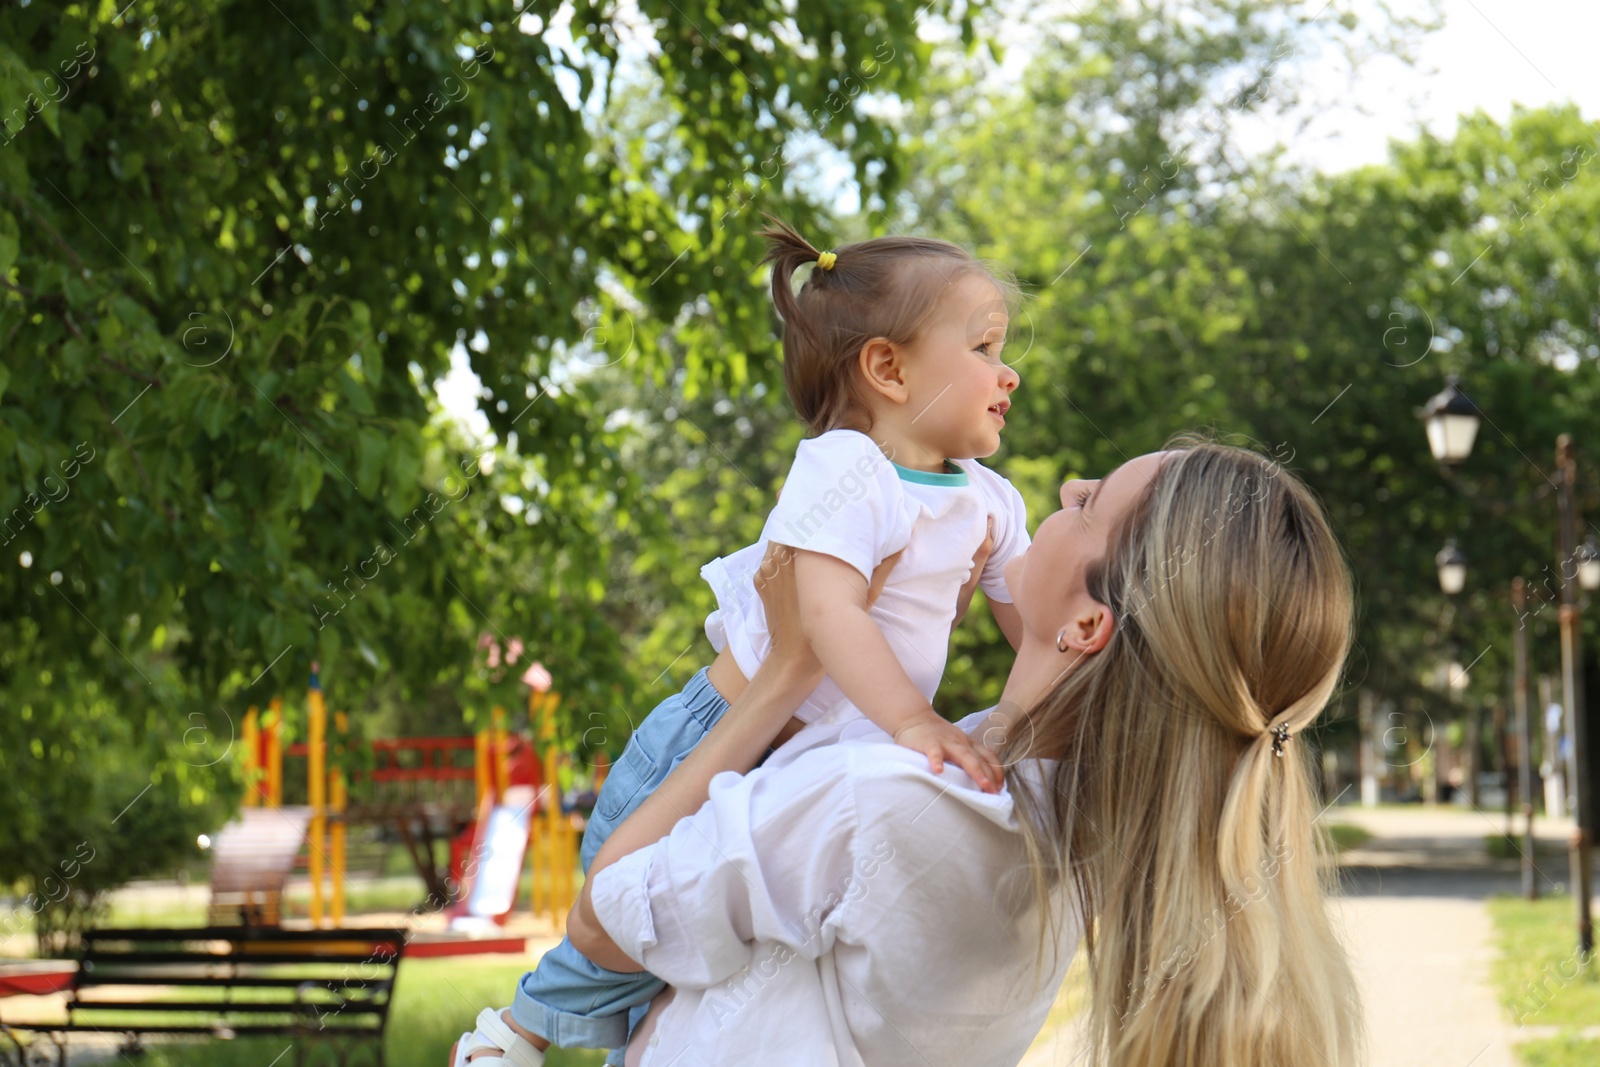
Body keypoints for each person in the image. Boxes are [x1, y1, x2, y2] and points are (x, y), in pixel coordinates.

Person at [452, 439, 1365, 1067]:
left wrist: (781, 674)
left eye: (1088, 505)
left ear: (1088, 622)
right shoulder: (1081, 841)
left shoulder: (882, 798)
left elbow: (607, 916)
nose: (1061, 492)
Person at [461, 220, 1031, 1066]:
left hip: (802, 766)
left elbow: (1037, 635)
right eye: (984, 347)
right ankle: (518, 1031)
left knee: (697, 971)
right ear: (888, 368)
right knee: (632, 928)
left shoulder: (992, 500)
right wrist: (915, 722)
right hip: (720, 738)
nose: (1008, 371)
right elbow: (830, 614)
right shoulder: (847, 468)